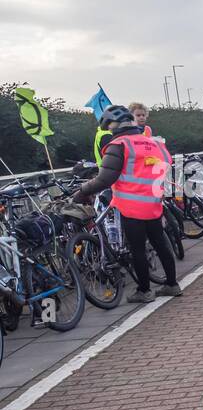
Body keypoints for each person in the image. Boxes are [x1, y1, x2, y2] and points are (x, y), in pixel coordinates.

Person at [74, 105, 181, 302]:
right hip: (154, 202)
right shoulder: (152, 143)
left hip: (131, 206)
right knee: (160, 243)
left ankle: (144, 291)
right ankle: (172, 284)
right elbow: (167, 163)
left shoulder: (119, 145)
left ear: (112, 126)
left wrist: (81, 192)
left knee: (137, 249)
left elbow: (104, 179)